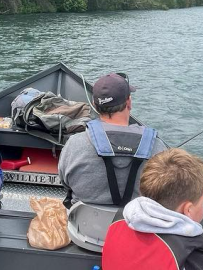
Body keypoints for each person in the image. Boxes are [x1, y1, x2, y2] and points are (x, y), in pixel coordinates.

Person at [58, 73, 165, 207]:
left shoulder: (74, 144)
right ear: (129, 102)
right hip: (137, 227)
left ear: (94, 105)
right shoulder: (158, 148)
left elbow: (65, 184)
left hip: (84, 226)